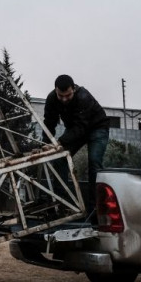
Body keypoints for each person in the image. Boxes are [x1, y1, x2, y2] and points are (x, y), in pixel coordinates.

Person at [42, 74, 110, 210]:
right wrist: (46, 143)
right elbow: (49, 122)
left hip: (96, 128)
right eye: (61, 96)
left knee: (94, 163)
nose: (64, 99)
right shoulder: (51, 99)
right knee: (59, 158)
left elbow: (81, 127)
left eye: (68, 95)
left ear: (74, 89)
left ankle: (95, 209)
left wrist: (60, 142)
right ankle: (62, 205)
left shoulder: (84, 97)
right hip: (75, 129)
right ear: (55, 90)